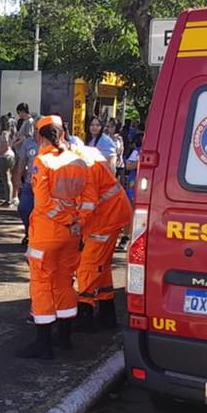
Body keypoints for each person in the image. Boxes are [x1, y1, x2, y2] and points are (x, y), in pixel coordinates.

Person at [17, 115, 93, 360]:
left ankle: (43, 344)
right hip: (71, 236)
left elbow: (44, 203)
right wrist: (77, 222)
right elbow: (90, 200)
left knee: (41, 284)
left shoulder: (43, 161)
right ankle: (65, 338)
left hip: (47, 235)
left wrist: (66, 220)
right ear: (63, 132)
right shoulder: (79, 161)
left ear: (40, 136)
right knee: (64, 282)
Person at [71, 141, 131, 332]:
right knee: (101, 266)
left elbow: (88, 202)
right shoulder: (86, 154)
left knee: (87, 266)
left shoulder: (82, 166)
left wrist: (76, 224)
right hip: (110, 213)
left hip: (105, 218)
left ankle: (84, 316)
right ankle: (107, 315)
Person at [16, 128, 41, 246]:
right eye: (35, 128)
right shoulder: (28, 143)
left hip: (44, 185)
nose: (37, 131)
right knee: (23, 208)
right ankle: (28, 231)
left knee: (40, 212)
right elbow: (22, 161)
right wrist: (18, 178)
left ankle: (35, 235)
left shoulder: (49, 143)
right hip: (29, 182)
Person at [10, 103, 35, 206]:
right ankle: (16, 195)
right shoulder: (26, 122)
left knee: (19, 172)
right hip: (20, 151)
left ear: (22, 111)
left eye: (19, 112)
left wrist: (15, 142)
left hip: (23, 152)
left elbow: (27, 137)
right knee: (19, 173)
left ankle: (16, 195)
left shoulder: (29, 122)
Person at [0, 114, 16, 206]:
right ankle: (9, 198)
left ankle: (8, 200)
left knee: (5, 178)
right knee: (8, 177)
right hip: (10, 155)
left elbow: (5, 146)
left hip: (4, 156)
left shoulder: (4, 133)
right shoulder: (10, 132)